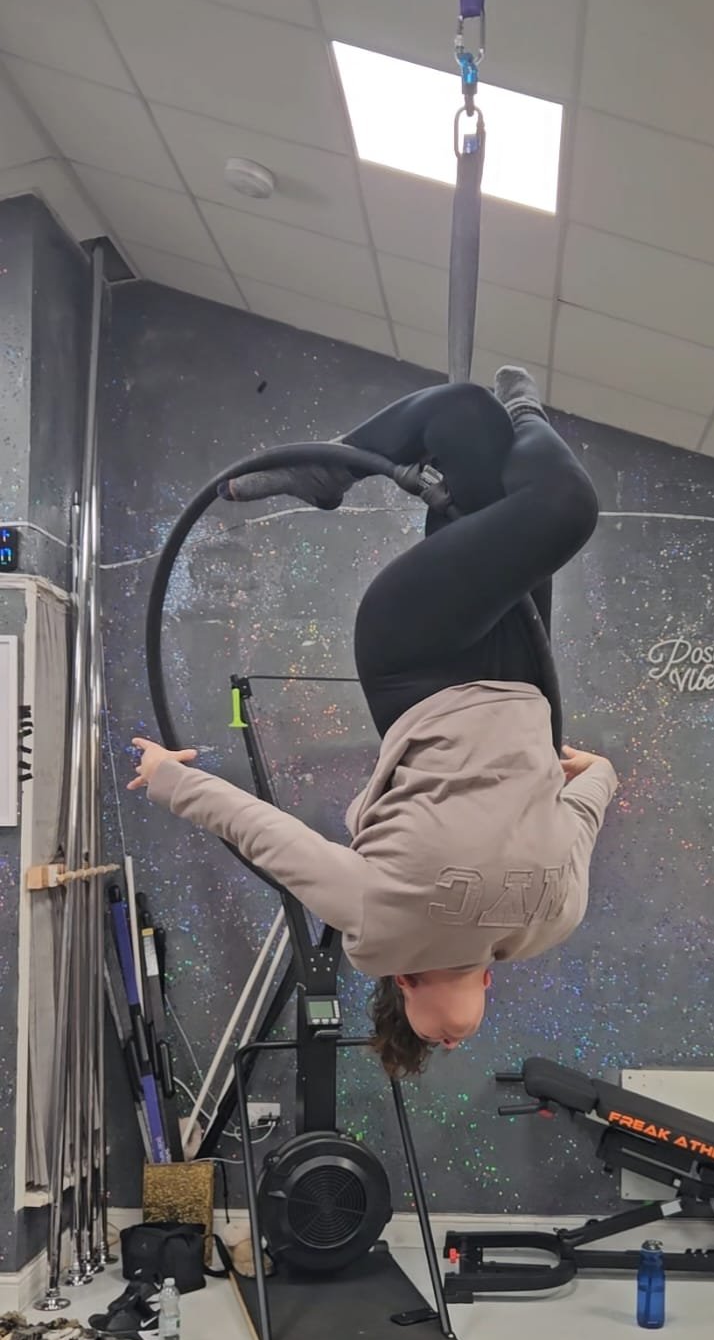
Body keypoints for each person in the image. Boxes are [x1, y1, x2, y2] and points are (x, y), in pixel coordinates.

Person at [131, 367, 617, 1075]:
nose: (449, 1041)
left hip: (418, 662)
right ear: (488, 979)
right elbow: (586, 808)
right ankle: (475, 424)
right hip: (518, 669)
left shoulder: (381, 930)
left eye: (429, 1041)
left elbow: (274, 840)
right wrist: (596, 771)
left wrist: (173, 783)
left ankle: (520, 413)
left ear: (403, 982)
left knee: (564, 507)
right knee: (462, 416)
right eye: (456, 1044)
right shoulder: (548, 920)